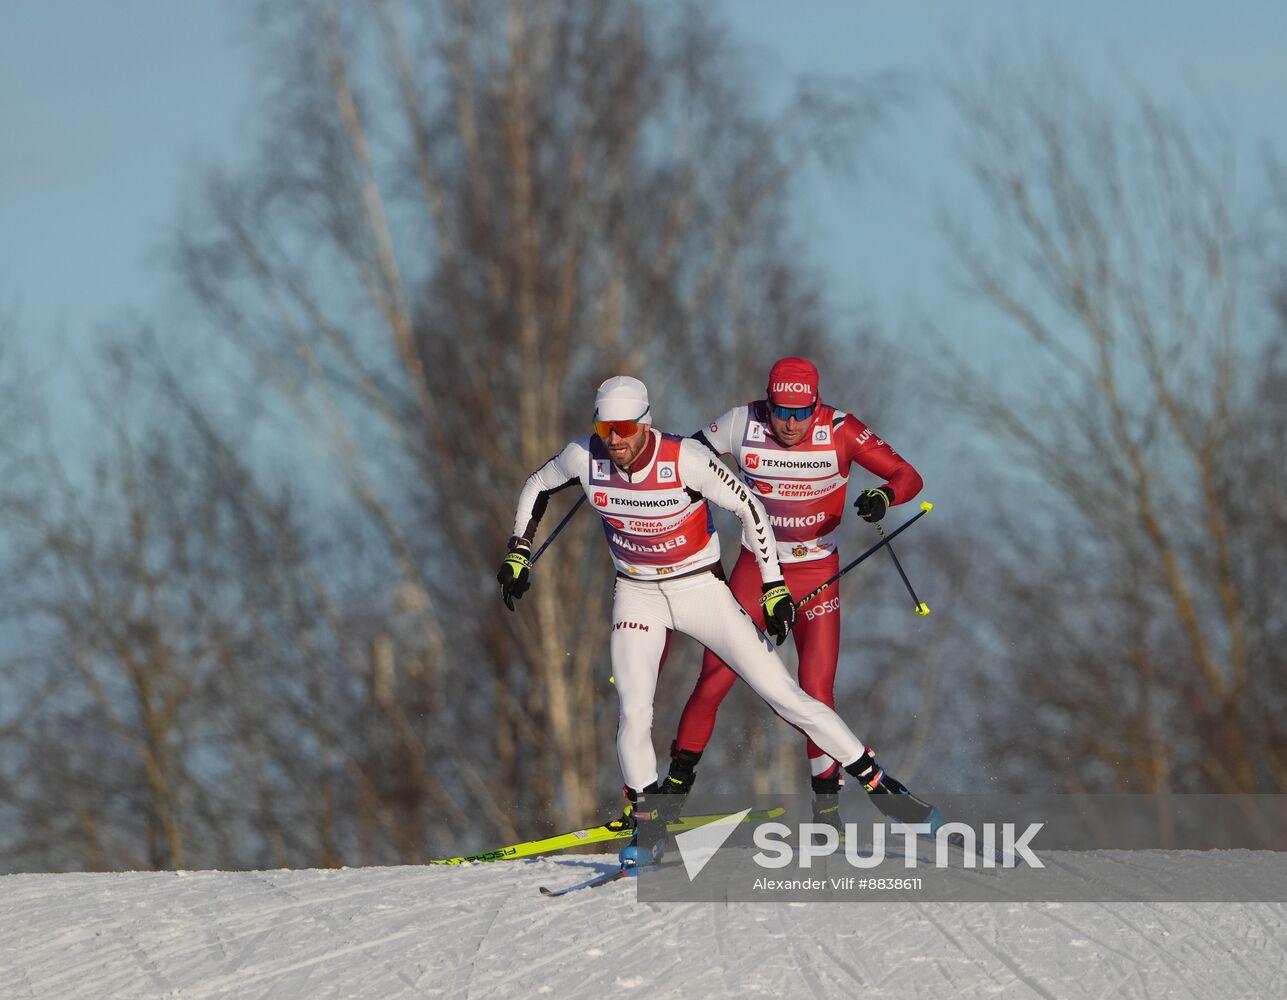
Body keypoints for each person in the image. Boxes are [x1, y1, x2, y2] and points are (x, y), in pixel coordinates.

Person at [497, 374, 936, 865]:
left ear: (644, 423)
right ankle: (647, 825)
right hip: (637, 595)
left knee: (788, 696)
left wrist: (773, 589)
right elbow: (538, 483)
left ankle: (880, 785)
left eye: (623, 427)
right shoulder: (585, 457)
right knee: (635, 708)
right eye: (604, 427)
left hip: (700, 590)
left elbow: (751, 509)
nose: (614, 439)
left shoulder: (686, 459)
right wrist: (519, 552)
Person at [663, 356, 924, 833]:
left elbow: (908, 477)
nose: (789, 422)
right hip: (755, 571)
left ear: (817, 405)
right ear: (768, 400)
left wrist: (884, 496)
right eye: (781, 410)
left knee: (817, 692)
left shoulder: (842, 430)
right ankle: (667, 801)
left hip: (816, 572)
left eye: (801, 413)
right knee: (715, 679)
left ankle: (827, 813)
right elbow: (680, 459)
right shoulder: (742, 422)